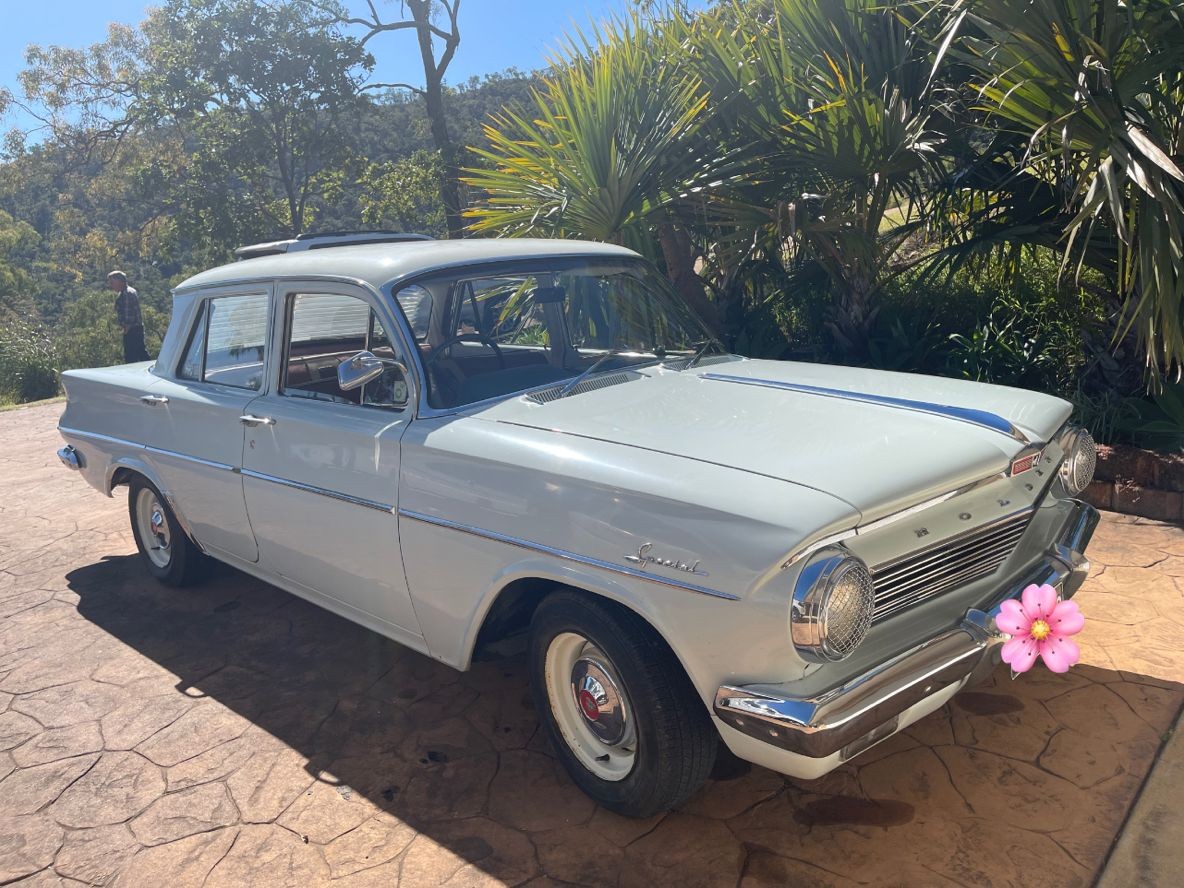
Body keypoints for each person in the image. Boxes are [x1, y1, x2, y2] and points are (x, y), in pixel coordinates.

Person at [108, 271, 150, 363]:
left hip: (132, 330)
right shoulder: (128, 291)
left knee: (131, 357)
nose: (111, 285)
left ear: (120, 281)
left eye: (112, 282)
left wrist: (126, 328)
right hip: (136, 329)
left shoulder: (126, 294)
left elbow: (128, 315)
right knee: (141, 353)